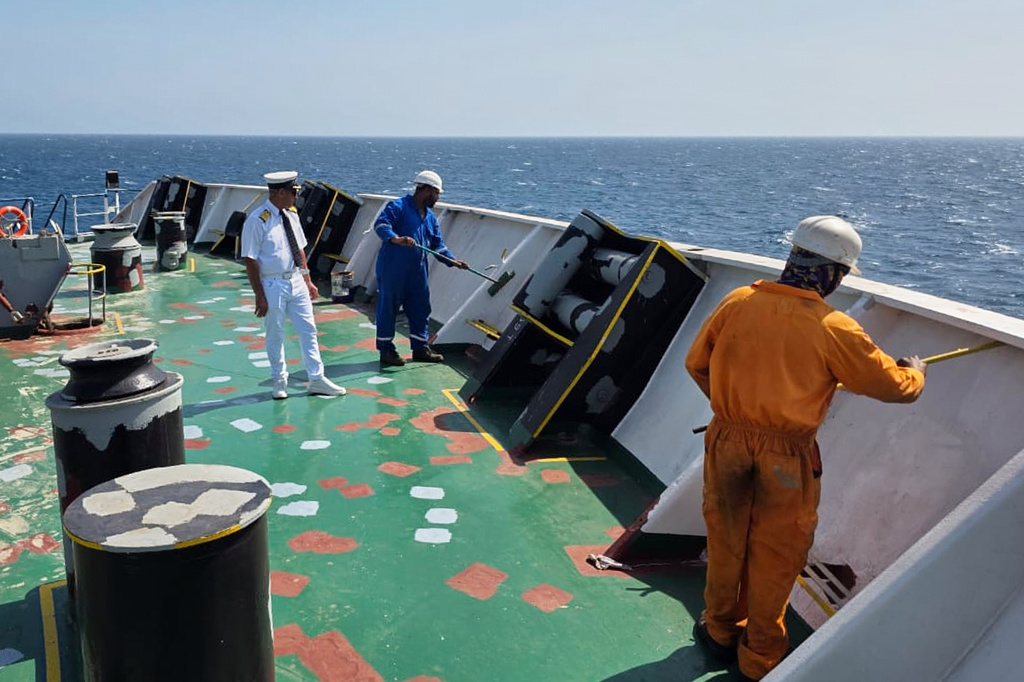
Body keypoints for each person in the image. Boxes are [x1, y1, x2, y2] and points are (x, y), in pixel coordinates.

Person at [684, 216, 927, 681]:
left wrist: (737, 412)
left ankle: (718, 631)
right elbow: (892, 386)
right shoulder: (834, 328)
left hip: (727, 440)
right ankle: (758, 660)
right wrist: (914, 372)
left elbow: (698, 364)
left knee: (727, 538)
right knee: (777, 553)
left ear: (792, 256)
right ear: (833, 274)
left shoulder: (737, 302)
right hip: (786, 459)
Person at [241, 171, 345, 400]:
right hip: (272, 283)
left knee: (308, 330)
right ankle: (279, 381)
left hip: (296, 280)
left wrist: (307, 280)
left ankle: (317, 379)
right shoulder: (258, 220)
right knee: (275, 334)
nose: (297, 195)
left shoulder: (292, 216)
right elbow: (250, 259)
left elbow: (299, 249)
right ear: (279, 192)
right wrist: (259, 295)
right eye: (294, 191)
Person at [373, 170, 468, 367]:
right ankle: (386, 351)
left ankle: (420, 348)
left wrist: (453, 261)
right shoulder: (398, 206)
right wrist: (397, 239)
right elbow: (381, 225)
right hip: (393, 270)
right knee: (388, 309)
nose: (438, 197)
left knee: (420, 308)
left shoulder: (430, 217)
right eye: (436, 193)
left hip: (417, 272)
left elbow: (437, 245)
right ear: (426, 190)